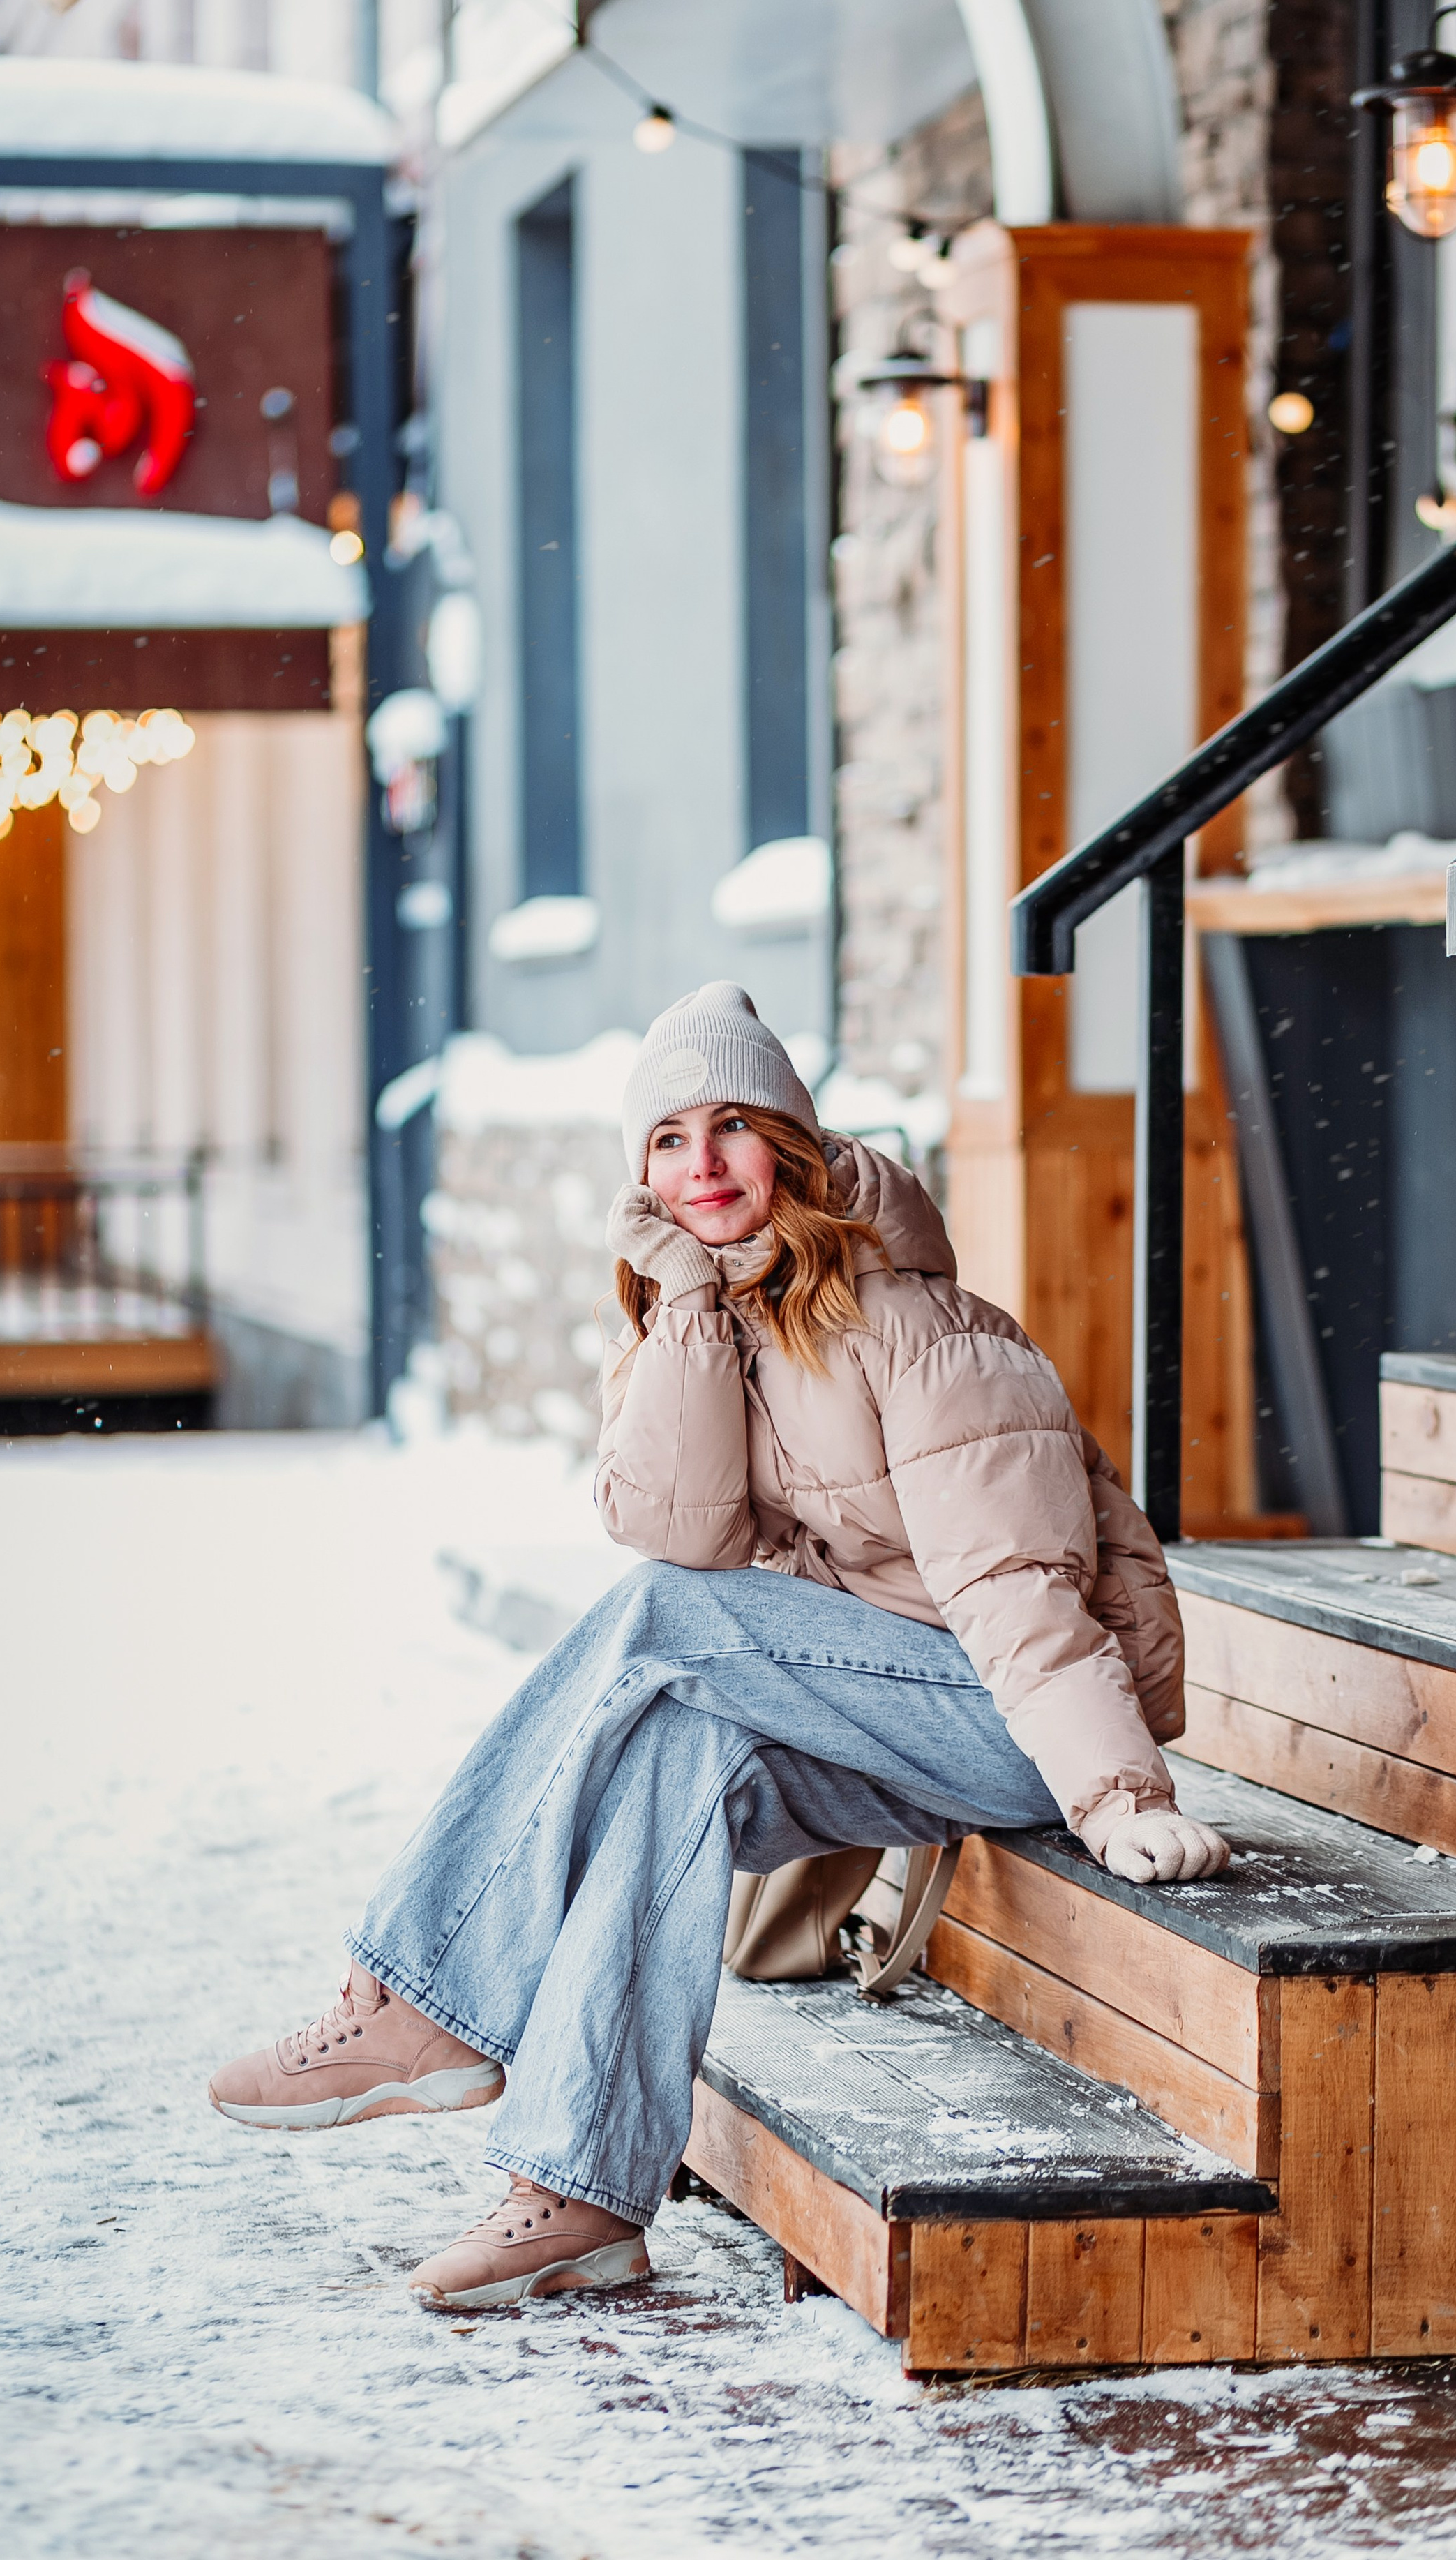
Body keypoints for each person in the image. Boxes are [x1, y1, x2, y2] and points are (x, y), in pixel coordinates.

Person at [209, 984, 1229, 2313]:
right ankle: (580, 2198)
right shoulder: (712, 1318)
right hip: (877, 1702)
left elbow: (1018, 1583)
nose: (705, 1166)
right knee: (670, 1761)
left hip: (1017, 1714)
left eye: (735, 1128)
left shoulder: (914, 1325)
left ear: (794, 1144)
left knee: (656, 1622)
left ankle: (418, 1998)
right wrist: (685, 1312)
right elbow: (676, 1524)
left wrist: (1118, 1792)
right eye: (670, 1141)